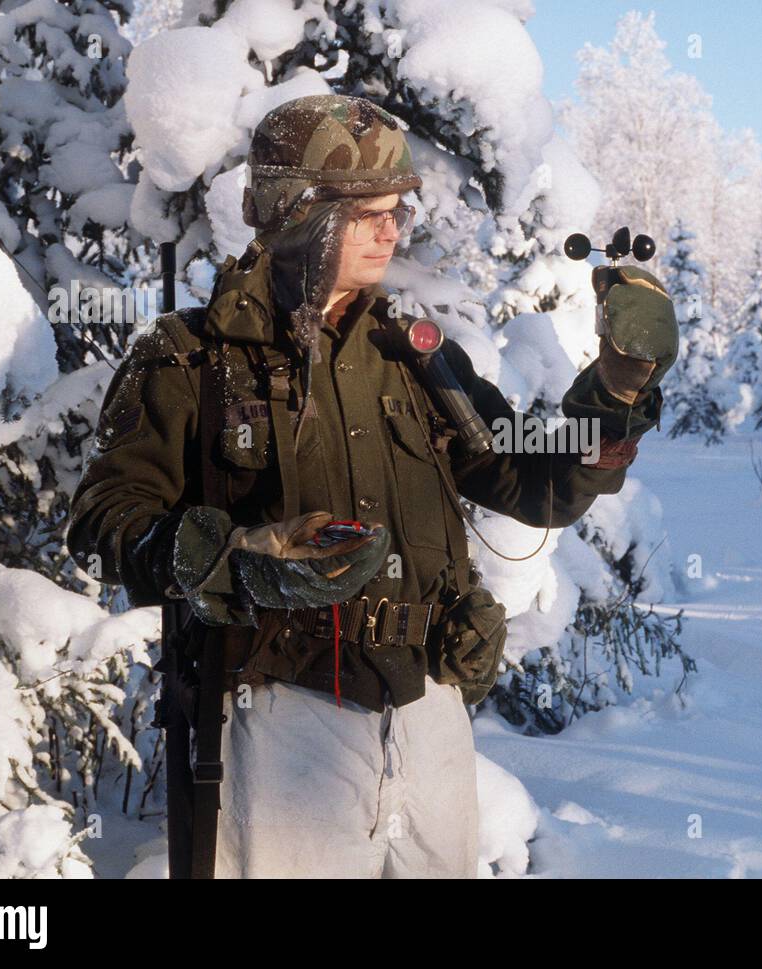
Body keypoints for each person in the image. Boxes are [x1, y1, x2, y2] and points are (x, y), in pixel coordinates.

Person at [65, 93, 679, 878]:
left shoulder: (414, 353)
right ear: (298, 212)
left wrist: (619, 389)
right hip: (279, 722)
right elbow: (104, 522)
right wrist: (234, 557)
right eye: (369, 213)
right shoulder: (188, 358)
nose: (393, 229)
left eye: (398, 211)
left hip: (429, 713)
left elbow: (532, 480)